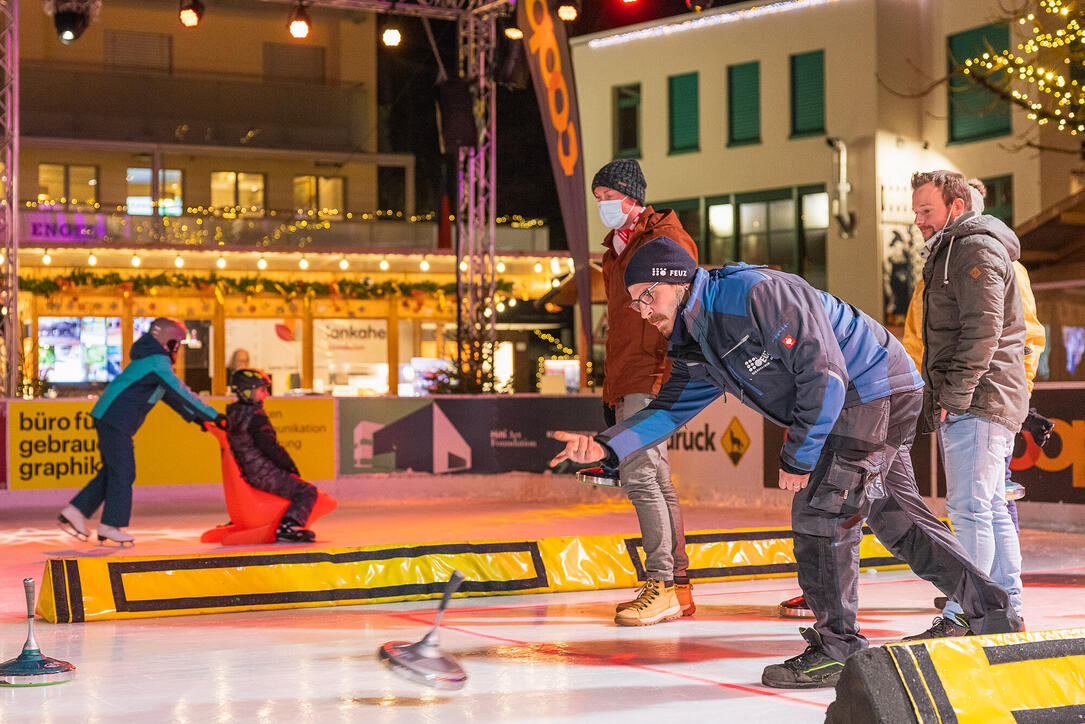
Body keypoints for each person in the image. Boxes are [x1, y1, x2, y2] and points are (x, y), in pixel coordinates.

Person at [549, 236, 1022, 689]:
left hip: (870, 390)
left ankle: (839, 650)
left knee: (821, 514)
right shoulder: (697, 338)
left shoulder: (756, 293)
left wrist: (798, 457)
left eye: (647, 296)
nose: (644, 311)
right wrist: (606, 447)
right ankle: (993, 613)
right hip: (869, 393)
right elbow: (670, 407)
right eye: (635, 302)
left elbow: (826, 377)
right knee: (898, 519)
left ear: (677, 281)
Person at [907, 170, 1030, 637]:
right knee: (990, 505)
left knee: (971, 507)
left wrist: (953, 396)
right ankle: (1003, 607)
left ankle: (968, 613)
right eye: (916, 211)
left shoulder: (973, 248)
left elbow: (984, 329)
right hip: (982, 394)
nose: (917, 220)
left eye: (926, 211)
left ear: (955, 208)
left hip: (979, 397)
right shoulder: (954, 248)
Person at [591, 158, 698, 626]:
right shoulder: (617, 248)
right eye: (598, 202)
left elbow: (678, 311)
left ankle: (661, 584)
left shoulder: (663, 242)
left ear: (632, 197)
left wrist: (661, 368)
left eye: (609, 199)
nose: (603, 208)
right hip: (627, 373)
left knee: (640, 476)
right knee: (654, 478)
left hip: (650, 373)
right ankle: (676, 584)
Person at [58, 318, 225, 546]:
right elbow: (181, 391)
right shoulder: (157, 361)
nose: (178, 348)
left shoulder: (152, 360)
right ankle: (110, 524)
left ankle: (75, 511)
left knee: (113, 471)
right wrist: (213, 415)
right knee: (124, 472)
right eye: (177, 343)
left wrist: (197, 419)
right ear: (168, 341)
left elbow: (169, 397)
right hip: (115, 418)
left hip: (110, 417)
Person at [226, 368, 319, 542]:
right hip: (262, 473)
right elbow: (270, 447)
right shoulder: (256, 417)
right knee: (306, 491)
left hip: (246, 471)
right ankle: (289, 525)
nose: (266, 394)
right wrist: (290, 467)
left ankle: (254, 520)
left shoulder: (232, 414)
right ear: (248, 392)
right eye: (262, 390)